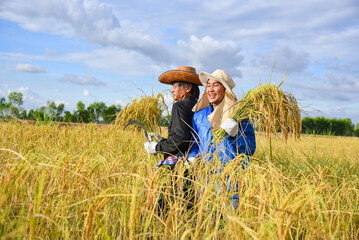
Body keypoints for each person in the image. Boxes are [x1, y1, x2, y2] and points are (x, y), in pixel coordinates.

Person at [188, 69, 256, 209]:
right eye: (208, 85)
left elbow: (250, 148)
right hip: (206, 184)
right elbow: (194, 143)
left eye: (216, 85)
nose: (210, 89)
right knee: (208, 226)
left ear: (225, 89)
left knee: (230, 228)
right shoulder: (199, 116)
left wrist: (235, 135)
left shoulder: (238, 115)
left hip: (232, 185)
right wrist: (193, 156)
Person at [144, 66, 201, 170]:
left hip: (180, 165)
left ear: (188, 88)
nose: (172, 90)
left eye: (175, 87)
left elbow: (180, 139)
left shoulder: (179, 106)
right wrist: (163, 141)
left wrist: (157, 147)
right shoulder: (199, 106)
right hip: (195, 162)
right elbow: (188, 136)